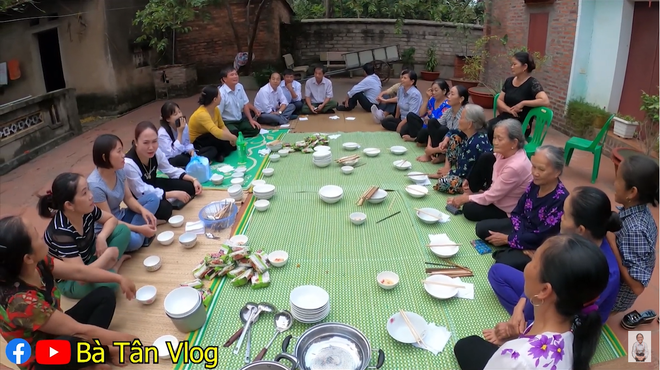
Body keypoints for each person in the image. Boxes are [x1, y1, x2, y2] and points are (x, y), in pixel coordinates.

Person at [0, 215, 137, 370]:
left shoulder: (39, 263)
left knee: (104, 295)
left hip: (56, 334)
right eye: (37, 236)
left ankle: (86, 362)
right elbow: (79, 330)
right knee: (72, 344)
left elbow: (79, 272)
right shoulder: (20, 302)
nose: (43, 238)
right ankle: (96, 358)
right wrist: (128, 342)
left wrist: (118, 278)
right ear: (28, 258)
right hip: (41, 360)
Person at [454, 234, 610, 370]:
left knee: (465, 345)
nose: (527, 265)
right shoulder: (574, 330)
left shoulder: (515, 358)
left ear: (544, 291)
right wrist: (517, 337)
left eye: (534, 260)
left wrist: (513, 346)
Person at [486, 186, 621, 343]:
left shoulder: (602, 272)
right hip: (548, 292)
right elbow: (541, 273)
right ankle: (524, 320)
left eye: (565, 214)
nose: (560, 218)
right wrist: (519, 307)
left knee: (535, 307)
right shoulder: (566, 238)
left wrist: (519, 331)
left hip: (566, 319)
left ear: (580, 229)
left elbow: (572, 319)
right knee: (497, 272)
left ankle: (526, 327)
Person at [38, 172, 132, 299]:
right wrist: (107, 256)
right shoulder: (60, 232)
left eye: (88, 189)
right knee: (111, 285)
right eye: (84, 193)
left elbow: (111, 219)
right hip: (72, 280)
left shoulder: (87, 209)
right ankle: (113, 266)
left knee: (122, 230)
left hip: (89, 256)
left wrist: (101, 237)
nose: (91, 196)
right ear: (69, 205)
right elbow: (80, 276)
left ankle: (104, 269)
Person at [477, 145, 568, 271]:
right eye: (534, 166)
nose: (535, 173)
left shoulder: (560, 199)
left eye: (541, 169)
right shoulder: (535, 183)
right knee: (481, 228)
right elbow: (518, 211)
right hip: (520, 228)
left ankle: (516, 249)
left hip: (537, 243)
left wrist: (509, 239)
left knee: (502, 263)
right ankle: (516, 247)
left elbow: (543, 235)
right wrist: (516, 237)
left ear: (557, 172)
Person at [448, 119, 533, 222]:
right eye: (494, 138)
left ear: (514, 143)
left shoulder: (515, 167)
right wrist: (469, 179)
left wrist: (466, 198)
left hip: (507, 207)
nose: (495, 142)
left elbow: (491, 196)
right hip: (498, 191)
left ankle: (474, 195)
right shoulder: (506, 152)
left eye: (500, 139)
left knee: (469, 209)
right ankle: (472, 191)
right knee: (486, 157)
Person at [88, 134, 159, 253]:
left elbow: (129, 198)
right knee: (136, 242)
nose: (123, 155)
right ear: (105, 157)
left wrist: (143, 210)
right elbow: (109, 220)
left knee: (153, 198)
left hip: (122, 216)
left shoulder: (119, 170)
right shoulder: (95, 185)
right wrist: (140, 229)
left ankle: (139, 232)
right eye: (119, 151)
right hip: (109, 228)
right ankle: (139, 233)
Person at [608, 155, 659, 313]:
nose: (614, 184)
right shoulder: (635, 211)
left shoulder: (636, 230)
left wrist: (612, 245)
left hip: (615, 298)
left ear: (632, 192)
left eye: (618, 179)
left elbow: (637, 287)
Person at [124, 121, 202, 221]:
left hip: (154, 184)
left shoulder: (156, 152)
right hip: (142, 198)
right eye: (146, 143)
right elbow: (141, 191)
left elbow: (170, 170)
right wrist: (172, 194)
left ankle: (169, 198)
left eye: (154, 141)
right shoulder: (129, 163)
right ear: (135, 142)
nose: (151, 147)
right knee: (166, 209)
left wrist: (193, 179)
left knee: (190, 187)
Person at [487, 52, 550, 143]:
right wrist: (508, 109)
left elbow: (545, 101)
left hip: (521, 124)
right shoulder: (509, 81)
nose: (512, 67)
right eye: (511, 64)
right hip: (504, 118)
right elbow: (499, 100)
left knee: (500, 133)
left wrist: (523, 103)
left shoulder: (532, 83)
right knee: (484, 128)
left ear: (524, 67)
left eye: (514, 64)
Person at [430, 104, 492, 195]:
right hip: (464, 169)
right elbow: (453, 132)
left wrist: (449, 173)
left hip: (473, 178)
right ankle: (447, 169)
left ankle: (472, 191)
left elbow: (465, 171)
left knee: (442, 183)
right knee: (454, 137)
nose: (459, 120)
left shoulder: (475, 143)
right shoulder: (472, 131)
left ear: (470, 124)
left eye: (462, 118)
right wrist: (446, 139)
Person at [158, 101, 218, 167]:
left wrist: (191, 151)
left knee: (212, 149)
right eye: (175, 114)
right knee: (181, 159)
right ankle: (200, 162)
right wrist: (180, 133)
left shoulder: (184, 125)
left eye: (179, 112)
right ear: (167, 119)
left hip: (184, 153)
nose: (180, 115)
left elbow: (187, 143)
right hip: (172, 158)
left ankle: (196, 162)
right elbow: (172, 154)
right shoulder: (162, 133)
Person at [189, 85, 238, 164]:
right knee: (223, 139)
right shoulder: (202, 114)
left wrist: (231, 137)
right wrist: (232, 138)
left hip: (211, 136)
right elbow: (216, 132)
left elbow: (221, 126)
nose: (221, 97)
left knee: (234, 133)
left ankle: (220, 153)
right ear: (215, 99)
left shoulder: (215, 109)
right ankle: (219, 153)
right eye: (219, 95)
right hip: (199, 141)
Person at [421, 85, 469, 164]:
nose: (448, 96)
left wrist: (432, 150)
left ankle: (440, 155)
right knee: (432, 121)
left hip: (457, 145)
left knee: (445, 130)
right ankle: (433, 154)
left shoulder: (465, 114)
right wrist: (428, 147)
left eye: (452, 94)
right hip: (444, 144)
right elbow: (434, 127)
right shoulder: (449, 111)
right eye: (449, 94)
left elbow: (457, 136)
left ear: (461, 99)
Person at [402, 78, 451, 147]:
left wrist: (429, 121)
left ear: (444, 91)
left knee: (423, 132)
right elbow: (421, 114)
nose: (433, 92)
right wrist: (426, 99)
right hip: (425, 125)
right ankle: (418, 138)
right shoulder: (432, 100)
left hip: (434, 130)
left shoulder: (447, 104)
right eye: (432, 90)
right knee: (410, 116)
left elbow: (439, 122)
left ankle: (416, 139)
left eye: (436, 90)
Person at [218, 66, 261, 137]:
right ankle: (234, 135)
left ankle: (237, 135)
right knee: (233, 132)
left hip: (240, 120)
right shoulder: (221, 93)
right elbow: (218, 114)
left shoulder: (239, 87)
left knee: (255, 128)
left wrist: (251, 120)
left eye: (236, 74)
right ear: (225, 79)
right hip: (228, 122)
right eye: (232, 75)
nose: (235, 76)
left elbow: (245, 104)